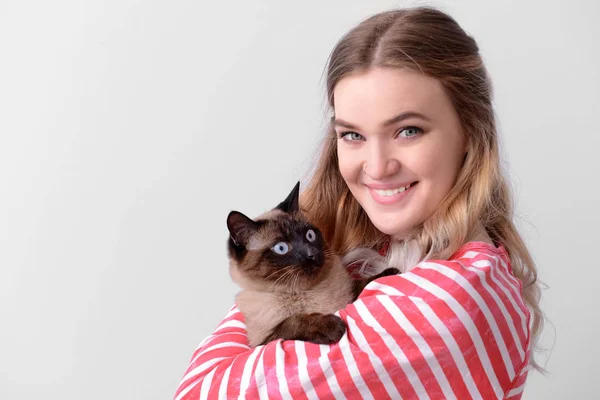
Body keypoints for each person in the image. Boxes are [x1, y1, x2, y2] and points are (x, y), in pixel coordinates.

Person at [173, 6, 544, 399]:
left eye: (408, 130)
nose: (377, 167)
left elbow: (200, 390)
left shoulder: (445, 301)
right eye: (352, 135)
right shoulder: (390, 250)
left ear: (469, 131)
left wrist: (266, 291)